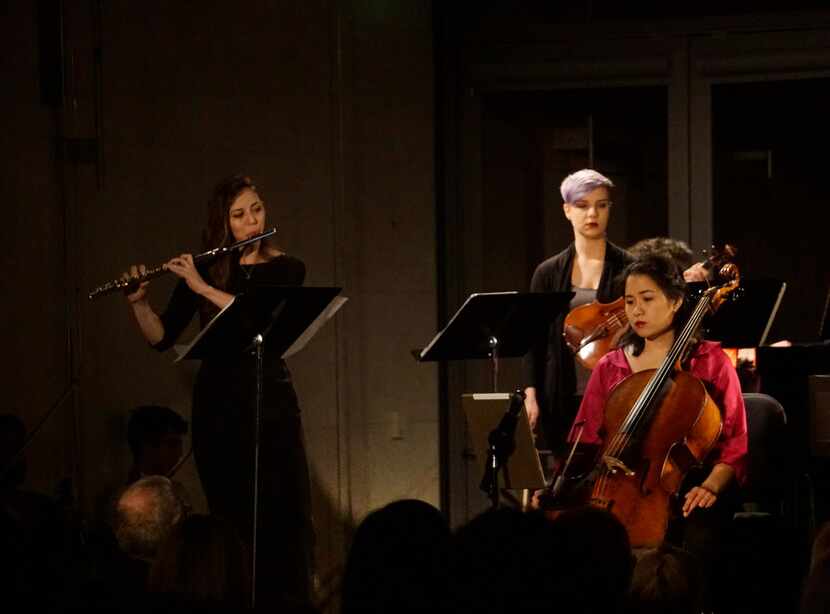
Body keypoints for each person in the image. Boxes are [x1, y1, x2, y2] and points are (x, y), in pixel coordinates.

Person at [122, 174, 314, 609]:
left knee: (281, 515)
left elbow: (255, 318)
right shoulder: (206, 266)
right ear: (223, 223)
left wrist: (202, 287)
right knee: (229, 515)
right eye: (239, 215)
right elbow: (162, 337)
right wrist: (138, 303)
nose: (251, 222)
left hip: (270, 401)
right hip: (218, 405)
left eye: (256, 210)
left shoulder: (287, 267)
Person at [567, 253, 747, 607]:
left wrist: (711, 486)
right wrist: (565, 486)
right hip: (612, 486)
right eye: (631, 302)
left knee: (693, 539)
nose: (636, 312)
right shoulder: (611, 365)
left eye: (647, 300)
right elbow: (584, 438)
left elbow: (735, 444)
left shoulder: (709, 362)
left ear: (677, 301)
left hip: (685, 488)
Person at [524, 169, 633, 453]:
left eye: (601, 205)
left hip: (616, 394)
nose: (592, 214)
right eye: (582, 206)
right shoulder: (547, 273)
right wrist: (531, 392)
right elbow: (533, 339)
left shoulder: (629, 267)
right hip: (561, 394)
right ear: (567, 210)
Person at [125, 405, 188, 484]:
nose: (179, 453)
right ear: (148, 446)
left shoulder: (171, 489)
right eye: (172, 445)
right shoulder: (127, 493)